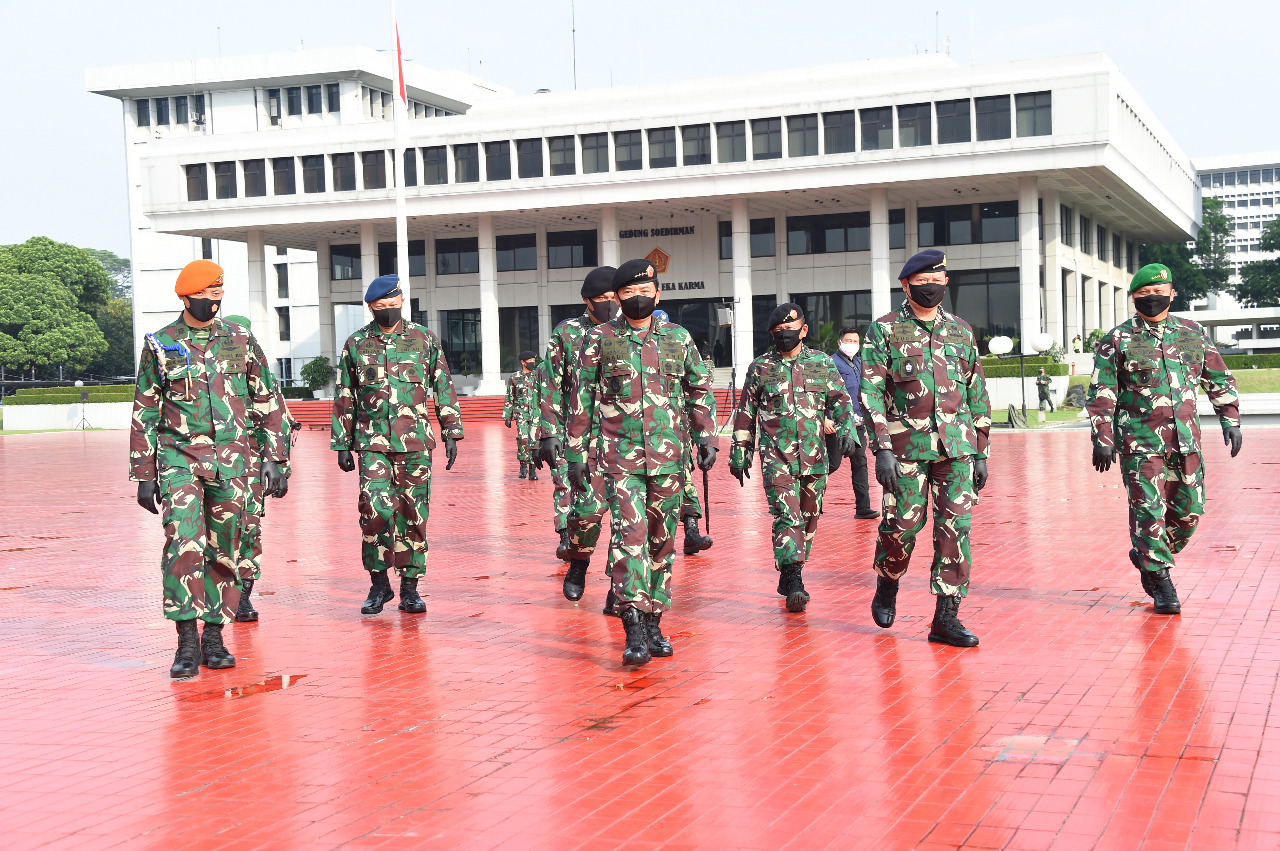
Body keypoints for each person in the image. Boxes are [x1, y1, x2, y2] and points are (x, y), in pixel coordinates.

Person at [130, 260, 290, 679]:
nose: (213, 306)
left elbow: (266, 397)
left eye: (218, 298)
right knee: (183, 544)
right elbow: (145, 408)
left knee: (226, 548)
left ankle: (214, 638)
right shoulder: (161, 343)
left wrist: (275, 458)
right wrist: (145, 473)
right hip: (180, 458)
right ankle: (185, 642)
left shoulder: (239, 337)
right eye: (205, 298)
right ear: (186, 298)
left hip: (235, 460)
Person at [566, 259, 718, 666]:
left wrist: (707, 438)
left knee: (661, 542)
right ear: (617, 298)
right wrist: (575, 453)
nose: (638, 298)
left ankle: (654, 621)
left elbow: (698, 389)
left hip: (669, 459)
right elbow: (582, 397)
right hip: (619, 460)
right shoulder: (599, 339)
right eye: (628, 293)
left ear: (658, 293)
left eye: (644, 291)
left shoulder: (678, 338)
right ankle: (631, 624)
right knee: (629, 538)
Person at [1086, 263, 1242, 614]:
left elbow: (1216, 376)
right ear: (1133, 299)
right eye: (1143, 295)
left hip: (1186, 441)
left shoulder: (1193, 333)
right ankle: (1160, 579)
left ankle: (1147, 553)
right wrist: (1103, 437)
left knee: (1189, 511)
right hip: (1140, 443)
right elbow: (1102, 391)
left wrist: (1230, 418)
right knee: (1148, 510)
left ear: (1172, 294)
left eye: (1158, 293)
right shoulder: (1118, 339)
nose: (1151, 299)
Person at [860, 249, 991, 647]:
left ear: (945, 283)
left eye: (938, 281)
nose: (931, 288)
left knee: (955, 530)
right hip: (905, 450)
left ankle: (946, 618)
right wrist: (881, 448)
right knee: (901, 528)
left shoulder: (961, 331)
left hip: (956, 449)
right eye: (923, 282)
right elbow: (870, 392)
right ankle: (888, 580)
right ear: (906, 285)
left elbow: (976, 391)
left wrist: (981, 450)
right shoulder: (883, 331)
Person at [331, 273, 463, 616]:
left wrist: (452, 431)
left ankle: (409, 588)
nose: (388, 309)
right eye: (381, 305)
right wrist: (342, 442)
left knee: (413, 514)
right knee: (374, 510)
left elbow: (443, 384)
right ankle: (378, 584)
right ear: (371, 307)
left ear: (402, 301)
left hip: (416, 442)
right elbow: (345, 394)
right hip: (372, 442)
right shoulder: (356, 343)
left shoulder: (423, 339)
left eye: (393, 303)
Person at [730, 304, 858, 612]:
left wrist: (847, 431)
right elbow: (746, 413)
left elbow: (840, 401)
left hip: (815, 456)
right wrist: (740, 451)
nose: (784, 336)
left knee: (810, 518)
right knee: (788, 516)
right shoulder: (760, 367)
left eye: (789, 330)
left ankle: (790, 569)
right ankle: (793, 577)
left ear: (803, 330)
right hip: (777, 456)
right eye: (777, 332)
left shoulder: (821, 364)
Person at [534, 266, 617, 591]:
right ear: (587, 300)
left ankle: (619, 589)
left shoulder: (631, 333)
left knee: (630, 520)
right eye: (602, 298)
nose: (609, 303)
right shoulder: (567, 334)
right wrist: (549, 432)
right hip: (582, 439)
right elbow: (550, 385)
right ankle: (578, 561)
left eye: (614, 297)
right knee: (585, 509)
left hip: (626, 438)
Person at [218, 315, 298, 623]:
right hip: (220, 466)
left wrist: (282, 469)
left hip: (254, 469)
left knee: (249, 530)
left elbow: (280, 424)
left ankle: (244, 597)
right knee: (221, 531)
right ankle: (220, 594)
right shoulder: (215, 385)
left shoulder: (265, 383)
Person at [653, 310, 714, 557]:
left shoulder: (679, 344)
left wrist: (704, 437)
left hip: (678, 435)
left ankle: (691, 530)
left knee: (685, 480)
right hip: (643, 439)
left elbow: (697, 388)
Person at [831, 327, 879, 520]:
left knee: (860, 463)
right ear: (839, 342)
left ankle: (863, 507)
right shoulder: (830, 363)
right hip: (836, 423)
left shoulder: (859, 363)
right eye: (848, 340)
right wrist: (827, 417)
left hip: (857, 424)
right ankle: (804, 500)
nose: (852, 344)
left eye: (855, 341)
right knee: (831, 465)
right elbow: (825, 392)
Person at [503, 349, 539, 480]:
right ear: (523, 362)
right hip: (521, 413)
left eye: (534, 361)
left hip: (536, 413)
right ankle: (523, 464)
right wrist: (507, 415)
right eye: (530, 361)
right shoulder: (514, 377)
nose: (533, 363)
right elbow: (509, 396)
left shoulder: (538, 376)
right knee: (523, 439)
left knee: (534, 441)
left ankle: (533, 469)